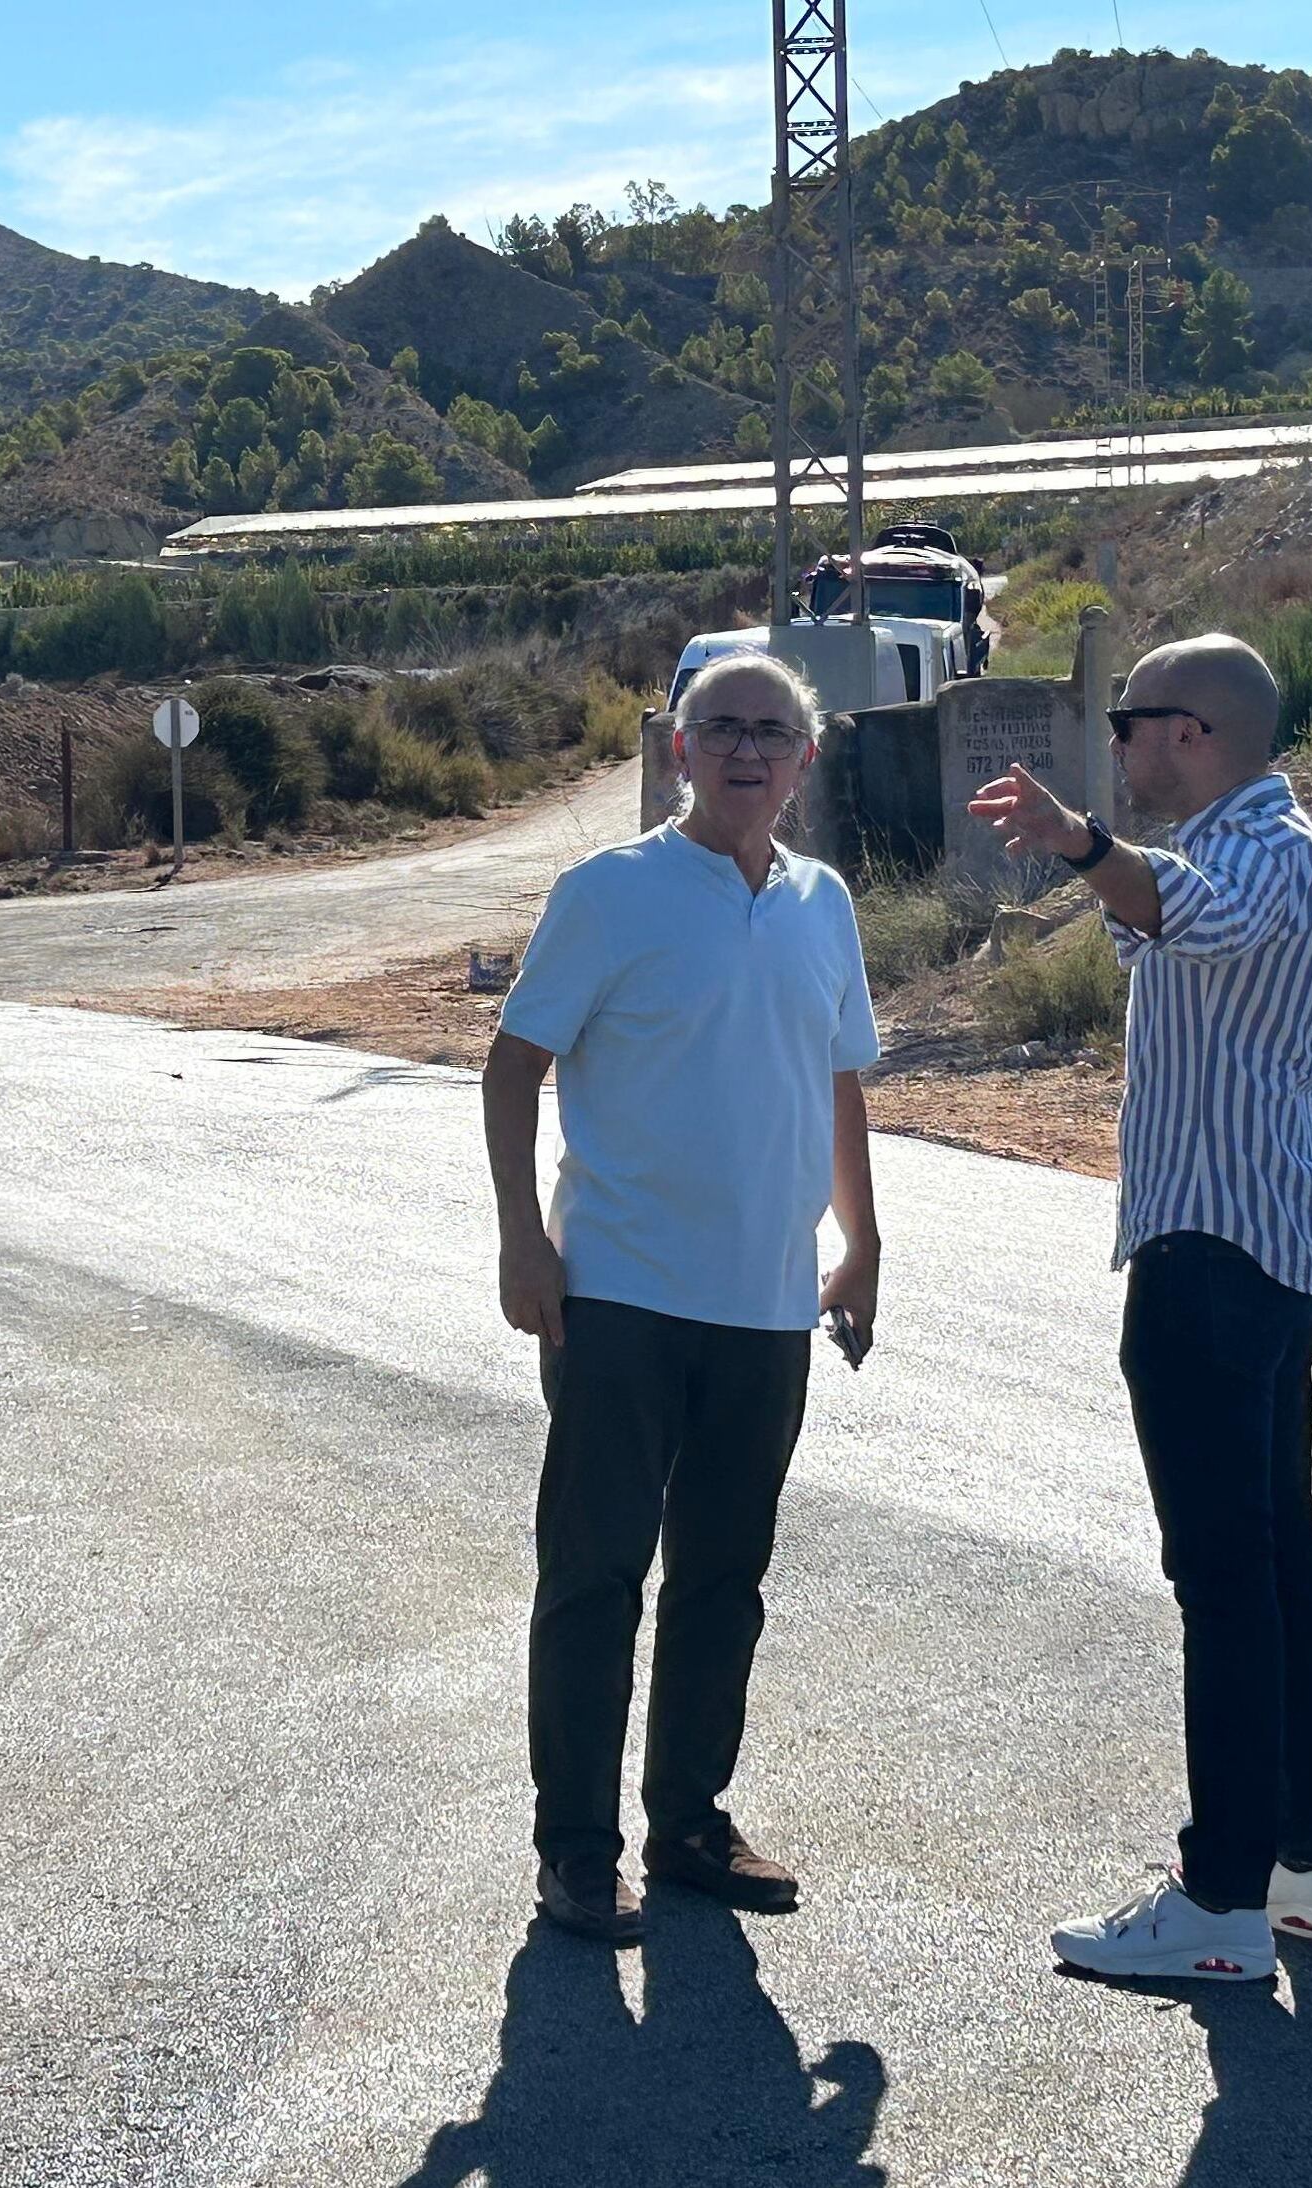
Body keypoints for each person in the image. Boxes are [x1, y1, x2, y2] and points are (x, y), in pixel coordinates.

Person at [966, 633, 1312, 1986]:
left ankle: (1219, 1901)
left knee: (1226, 1580)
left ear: (1190, 732)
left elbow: (1188, 909)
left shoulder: (1258, 856)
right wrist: (1102, 864)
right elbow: (1172, 920)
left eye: (1130, 721)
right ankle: (1307, 1871)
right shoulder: (1273, 851)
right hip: (1266, 1256)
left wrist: (1080, 846)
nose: (1119, 744)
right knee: (1278, 1563)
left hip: (1213, 1263)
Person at [482, 651, 882, 1947]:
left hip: (767, 1311)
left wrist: (861, 1241)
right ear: (677, 751)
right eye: (722, 730)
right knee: (595, 1577)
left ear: (805, 762)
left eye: (773, 732)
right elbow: (511, 1068)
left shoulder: (822, 905)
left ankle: (690, 1823)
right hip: (620, 1298)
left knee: (724, 1580)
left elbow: (837, 1082)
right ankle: (577, 1856)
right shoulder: (611, 893)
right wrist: (519, 1245)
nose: (747, 752)